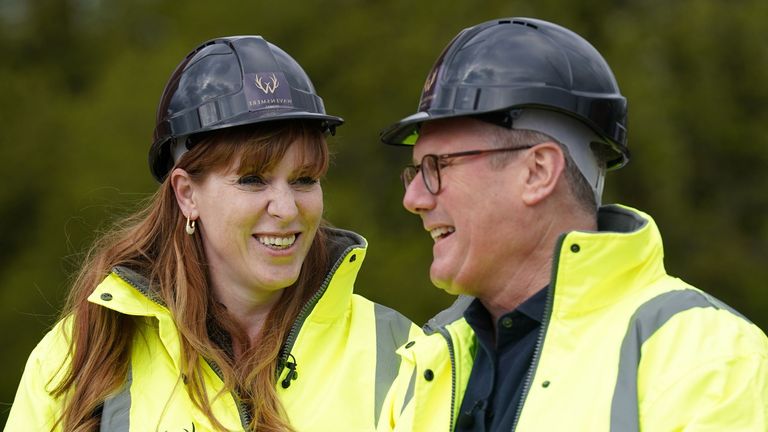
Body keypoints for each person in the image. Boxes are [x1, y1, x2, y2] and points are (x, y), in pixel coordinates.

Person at [6, 35, 418, 432]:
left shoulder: (403, 350)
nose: (287, 208)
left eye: (305, 179)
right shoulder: (79, 352)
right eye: (253, 180)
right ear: (187, 194)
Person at [377, 18, 768, 432]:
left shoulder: (708, 355)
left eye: (438, 166)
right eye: (416, 170)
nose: (413, 198)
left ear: (537, 172)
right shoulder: (428, 363)